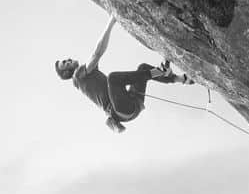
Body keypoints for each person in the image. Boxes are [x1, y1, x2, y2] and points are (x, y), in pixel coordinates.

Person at [55, 16, 193, 133]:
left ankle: (181, 79)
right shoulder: (77, 76)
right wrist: (111, 21)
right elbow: (96, 54)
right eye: (66, 63)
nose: (68, 60)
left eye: (66, 60)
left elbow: (99, 52)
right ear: (68, 71)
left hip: (132, 105)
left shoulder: (86, 76)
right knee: (113, 78)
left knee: (142, 68)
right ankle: (162, 72)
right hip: (122, 109)